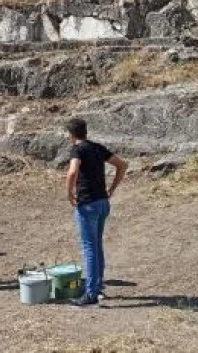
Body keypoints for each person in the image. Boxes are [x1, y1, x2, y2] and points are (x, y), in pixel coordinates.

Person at [65, 118, 128, 307]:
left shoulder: (77, 149)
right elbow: (122, 165)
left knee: (89, 248)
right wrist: (112, 189)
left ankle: (91, 293)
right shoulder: (97, 147)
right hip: (102, 203)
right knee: (96, 245)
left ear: (71, 135)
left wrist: (69, 193)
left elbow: (72, 171)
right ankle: (98, 286)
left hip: (88, 204)